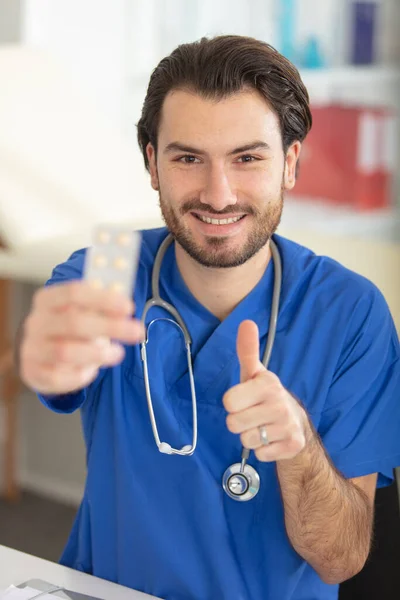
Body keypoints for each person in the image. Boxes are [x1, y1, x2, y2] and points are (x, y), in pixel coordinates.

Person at [18, 35, 400, 600]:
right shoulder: (104, 275)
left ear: (290, 163)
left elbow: (341, 559)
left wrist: (298, 448)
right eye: (188, 158)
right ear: (152, 164)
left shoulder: (350, 314)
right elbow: (57, 368)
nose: (219, 195)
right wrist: (46, 362)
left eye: (247, 158)